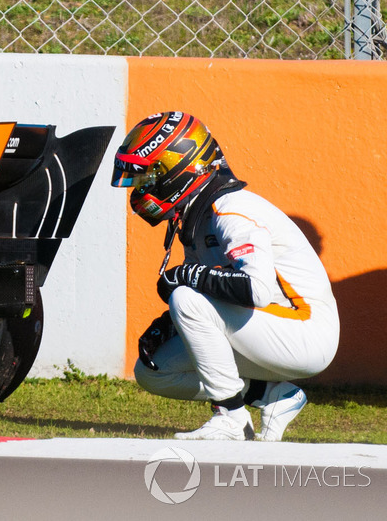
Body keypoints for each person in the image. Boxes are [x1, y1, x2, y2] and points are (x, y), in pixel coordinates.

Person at [112, 111, 339, 441]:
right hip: (267, 329)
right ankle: (274, 396)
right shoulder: (199, 215)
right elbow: (218, 290)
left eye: (149, 175)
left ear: (180, 167)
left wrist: (190, 277)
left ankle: (231, 418)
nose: (142, 187)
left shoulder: (231, 210)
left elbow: (256, 290)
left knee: (186, 298)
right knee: (152, 371)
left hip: (305, 332)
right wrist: (174, 319)